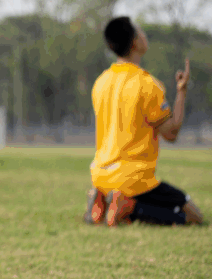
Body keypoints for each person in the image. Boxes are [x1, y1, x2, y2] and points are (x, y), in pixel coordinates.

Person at [84, 16, 204, 227]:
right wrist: (182, 92)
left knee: (158, 203)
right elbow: (171, 133)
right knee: (193, 216)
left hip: (101, 175)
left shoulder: (101, 82)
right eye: (140, 32)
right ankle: (129, 208)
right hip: (133, 179)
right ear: (135, 43)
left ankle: (102, 201)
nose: (144, 35)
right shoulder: (147, 84)